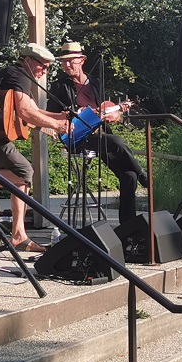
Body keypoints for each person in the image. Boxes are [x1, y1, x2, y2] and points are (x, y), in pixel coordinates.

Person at [0, 43, 72, 253]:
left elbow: (34, 109)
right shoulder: (19, 76)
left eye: (48, 68)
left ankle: (19, 235)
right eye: (42, 66)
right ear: (28, 60)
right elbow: (26, 112)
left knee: (21, 178)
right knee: (25, 171)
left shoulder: (15, 74)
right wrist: (58, 126)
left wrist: (61, 116)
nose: (44, 71)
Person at [47, 40, 149, 226]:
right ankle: (144, 175)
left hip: (101, 135)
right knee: (117, 141)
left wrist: (115, 113)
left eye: (71, 60)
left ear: (82, 60)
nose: (67, 65)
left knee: (128, 177)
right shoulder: (60, 86)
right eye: (64, 61)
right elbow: (50, 115)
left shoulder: (95, 82)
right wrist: (69, 116)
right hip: (78, 137)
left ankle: (129, 227)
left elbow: (107, 111)